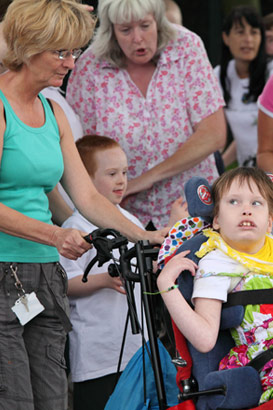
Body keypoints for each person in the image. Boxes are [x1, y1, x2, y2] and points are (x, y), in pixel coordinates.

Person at [0, 1, 168, 410]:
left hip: (46, 277)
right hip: (5, 275)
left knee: (54, 401)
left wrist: (147, 236)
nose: (71, 63)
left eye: (74, 51)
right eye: (60, 52)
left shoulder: (53, 111)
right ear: (27, 45)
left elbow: (87, 197)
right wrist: (56, 234)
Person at [66, 0, 226, 229]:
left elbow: (214, 134)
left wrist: (144, 180)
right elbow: (83, 150)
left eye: (145, 25)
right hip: (123, 217)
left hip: (191, 207)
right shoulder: (90, 67)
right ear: (111, 32)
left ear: (158, 21)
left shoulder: (186, 47)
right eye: (125, 30)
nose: (137, 38)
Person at [157, 166, 273, 404]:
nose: (246, 210)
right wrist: (166, 284)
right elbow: (204, 339)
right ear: (217, 220)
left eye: (256, 203)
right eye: (234, 202)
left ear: (270, 221)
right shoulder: (216, 261)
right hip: (264, 362)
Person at [214, 5, 273, 169]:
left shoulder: (271, 74)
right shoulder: (218, 76)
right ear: (226, 38)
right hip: (246, 176)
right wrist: (218, 167)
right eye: (240, 32)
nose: (248, 39)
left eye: (254, 32)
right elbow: (242, 135)